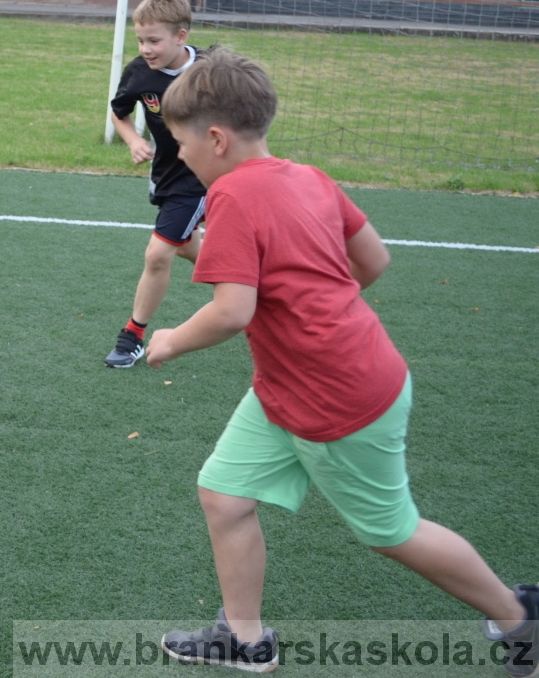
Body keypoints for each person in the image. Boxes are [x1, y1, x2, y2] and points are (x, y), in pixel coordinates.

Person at [145, 49, 537, 675]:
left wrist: (167, 339)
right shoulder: (310, 176)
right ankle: (244, 639)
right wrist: (314, 304)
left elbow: (232, 311)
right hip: (291, 386)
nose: (179, 156)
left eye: (180, 143)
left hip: (339, 397)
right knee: (224, 493)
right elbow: (373, 261)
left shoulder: (232, 197)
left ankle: (522, 619)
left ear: (215, 138)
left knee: (391, 531)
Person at [104, 0, 207, 369]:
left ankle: (132, 336)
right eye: (140, 40)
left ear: (181, 37)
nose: (146, 48)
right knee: (182, 245)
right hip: (166, 173)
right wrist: (133, 139)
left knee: (158, 253)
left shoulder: (210, 70)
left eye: (154, 40)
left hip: (202, 177)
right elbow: (120, 112)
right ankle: (249, 283)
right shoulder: (139, 73)